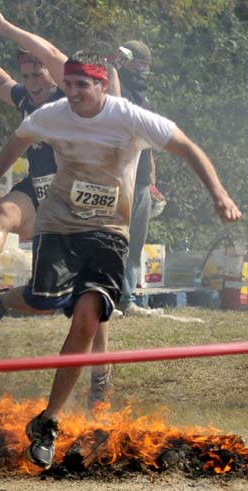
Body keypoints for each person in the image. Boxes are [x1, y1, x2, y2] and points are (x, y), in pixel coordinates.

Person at [0, 52, 242, 470]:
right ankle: (1, 301)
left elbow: (188, 147)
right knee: (44, 300)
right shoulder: (54, 113)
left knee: (89, 317)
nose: (72, 93)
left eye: (81, 86)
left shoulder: (130, 117)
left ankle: (47, 422)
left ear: (102, 87)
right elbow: (19, 137)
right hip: (59, 224)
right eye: (68, 84)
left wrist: (219, 194)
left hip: (109, 232)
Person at [0, 7, 117, 407]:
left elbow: (50, 51)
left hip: (80, 206)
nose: (33, 83)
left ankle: (101, 374)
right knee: (2, 213)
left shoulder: (69, 96)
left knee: (76, 300)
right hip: (38, 191)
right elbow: (0, 82)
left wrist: (4, 27)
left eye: (39, 76)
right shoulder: (25, 99)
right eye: (29, 76)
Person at [113, 41, 163, 316]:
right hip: (120, 177)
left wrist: (152, 178)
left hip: (142, 179)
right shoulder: (118, 90)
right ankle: (110, 297)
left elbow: (148, 143)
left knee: (135, 243)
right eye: (137, 64)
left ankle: (127, 298)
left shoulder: (144, 98)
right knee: (114, 239)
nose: (142, 70)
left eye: (145, 65)